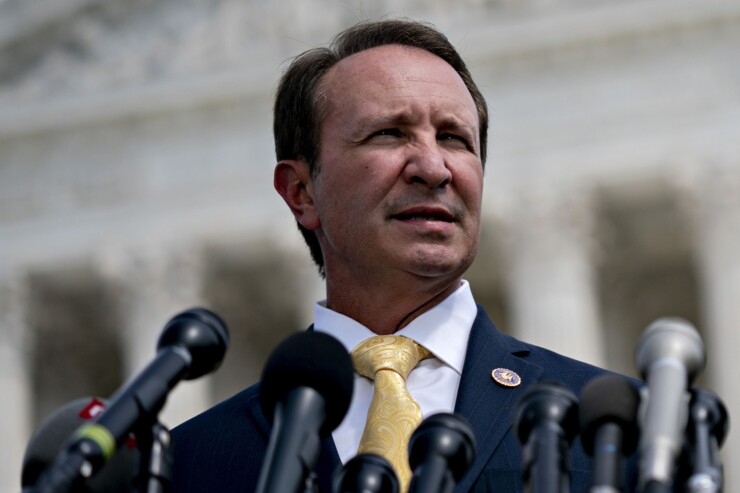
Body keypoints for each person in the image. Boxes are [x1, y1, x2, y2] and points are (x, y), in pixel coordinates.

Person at [170, 19, 632, 492]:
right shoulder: (188, 463)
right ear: (301, 192)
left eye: (454, 138)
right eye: (389, 133)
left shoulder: (619, 428)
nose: (433, 168)